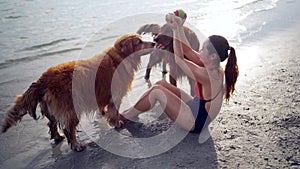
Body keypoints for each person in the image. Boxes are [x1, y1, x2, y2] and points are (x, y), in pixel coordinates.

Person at [120, 13, 239, 134]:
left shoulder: (207, 75)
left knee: (157, 91)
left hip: (196, 122)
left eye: (203, 49)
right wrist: (180, 27)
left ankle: (126, 116)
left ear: (213, 56)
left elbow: (179, 59)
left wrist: (175, 31)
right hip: (196, 107)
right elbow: (187, 50)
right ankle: (131, 111)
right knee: (161, 84)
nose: (200, 51)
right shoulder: (213, 66)